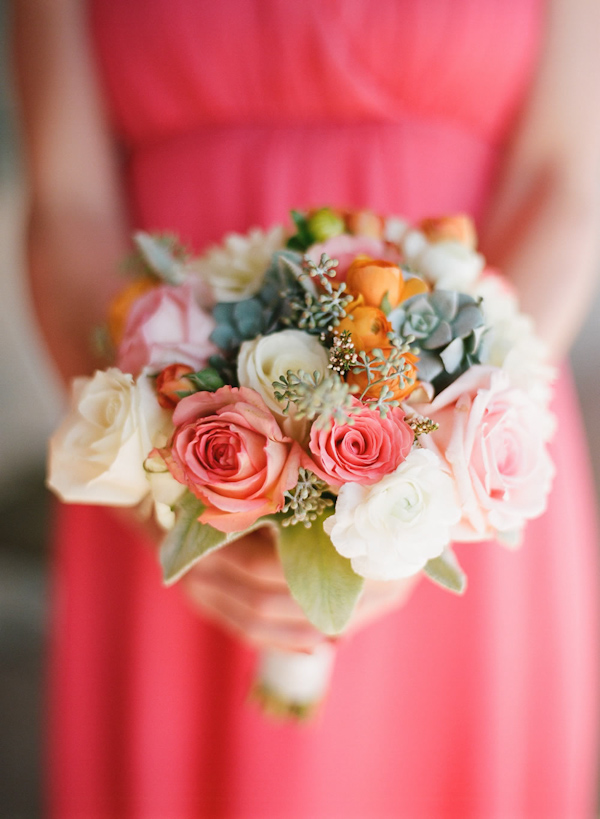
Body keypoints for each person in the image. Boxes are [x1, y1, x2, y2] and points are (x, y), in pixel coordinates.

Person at [13, 0, 600, 816]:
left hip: (458, 452)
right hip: (174, 450)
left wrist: (440, 470)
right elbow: (68, 202)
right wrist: (158, 488)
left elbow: (563, 183)